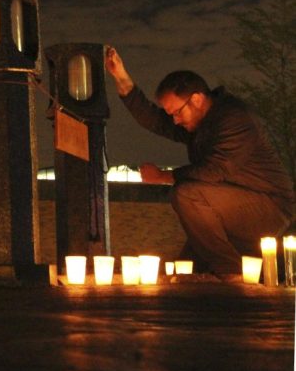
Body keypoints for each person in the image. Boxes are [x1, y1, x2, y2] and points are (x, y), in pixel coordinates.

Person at [104, 46, 294, 278]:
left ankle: (233, 274)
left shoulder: (235, 119)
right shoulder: (200, 124)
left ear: (196, 99)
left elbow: (215, 170)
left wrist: (163, 177)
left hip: (269, 207)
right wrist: (121, 78)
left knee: (186, 194)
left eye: (177, 112)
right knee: (187, 271)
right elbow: (154, 119)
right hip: (230, 201)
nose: (174, 120)